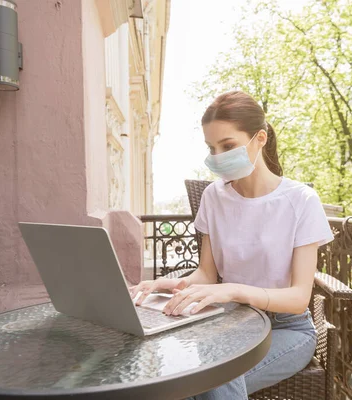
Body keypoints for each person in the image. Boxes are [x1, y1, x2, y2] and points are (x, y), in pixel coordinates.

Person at [129, 91, 333, 399]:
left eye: (228, 146)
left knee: (214, 376)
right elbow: (206, 275)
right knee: (181, 372)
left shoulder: (301, 200)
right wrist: (164, 285)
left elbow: (299, 299)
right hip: (230, 324)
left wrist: (234, 290)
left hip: (287, 330)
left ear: (260, 138)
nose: (218, 156)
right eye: (212, 148)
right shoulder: (214, 196)